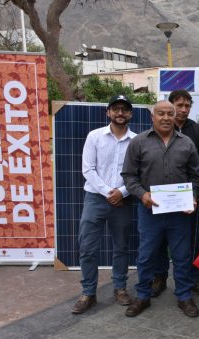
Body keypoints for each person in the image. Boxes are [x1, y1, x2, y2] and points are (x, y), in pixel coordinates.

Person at [121, 101, 199, 318]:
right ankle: (142, 296)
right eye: (161, 114)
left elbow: (195, 177)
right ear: (152, 117)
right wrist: (142, 194)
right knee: (146, 255)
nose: (166, 118)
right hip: (150, 212)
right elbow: (129, 176)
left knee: (182, 256)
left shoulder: (187, 144)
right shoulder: (138, 142)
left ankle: (184, 296)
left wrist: (193, 197)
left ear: (175, 117)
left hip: (180, 215)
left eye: (170, 114)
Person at [72, 95, 137, 314]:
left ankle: (119, 288)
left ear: (130, 114)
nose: (120, 113)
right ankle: (88, 292)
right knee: (88, 248)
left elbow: (138, 173)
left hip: (124, 200)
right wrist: (110, 192)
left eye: (125, 110)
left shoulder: (137, 141)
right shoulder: (95, 136)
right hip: (96, 199)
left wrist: (122, 192)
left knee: (121, 247)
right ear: (108, 112)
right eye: (116, 109)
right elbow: (88, 169)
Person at [151, 90, 199, 298]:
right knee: (160, 241)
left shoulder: (196, 131)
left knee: (193, 240)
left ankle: (195, 278)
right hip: (161, 199)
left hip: (188, 199)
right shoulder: (158, 129)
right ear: (171, 106)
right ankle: (159, 278)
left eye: (187, 106)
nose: (183, 110)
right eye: (180, 105)